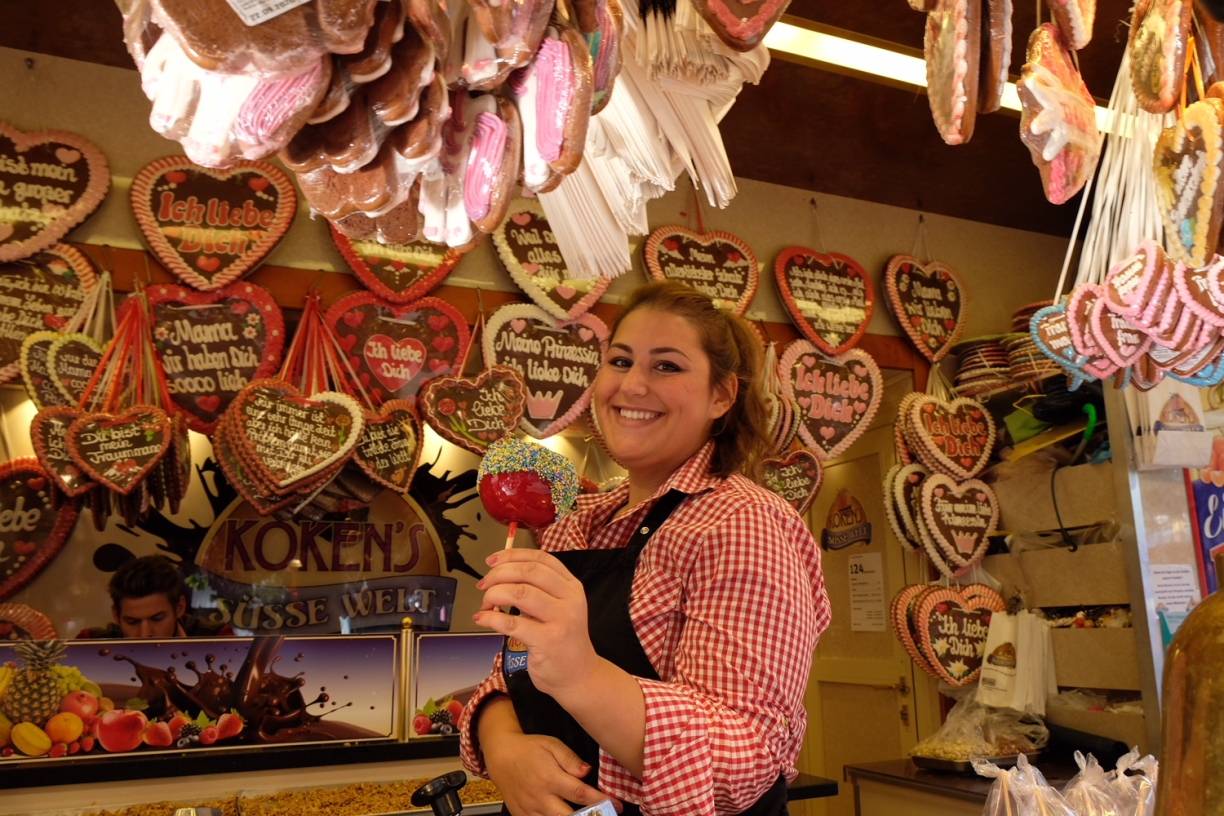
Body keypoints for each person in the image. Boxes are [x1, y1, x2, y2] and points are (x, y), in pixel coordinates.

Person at [459, 282, 831, 816]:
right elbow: (508, 673)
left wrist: (583, 675)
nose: (632, 385)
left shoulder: (744, 522)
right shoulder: (573, 526)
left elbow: (746, 759)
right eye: (620, 360)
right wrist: (504, 748)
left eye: (667, 366)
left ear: (721, 395)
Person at [78, 555, 232, 639]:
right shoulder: (89, 644)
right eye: (132, 622)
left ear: (179, 608)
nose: (145, 634)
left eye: (157, 618)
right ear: (116, 616)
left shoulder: (218, 640)